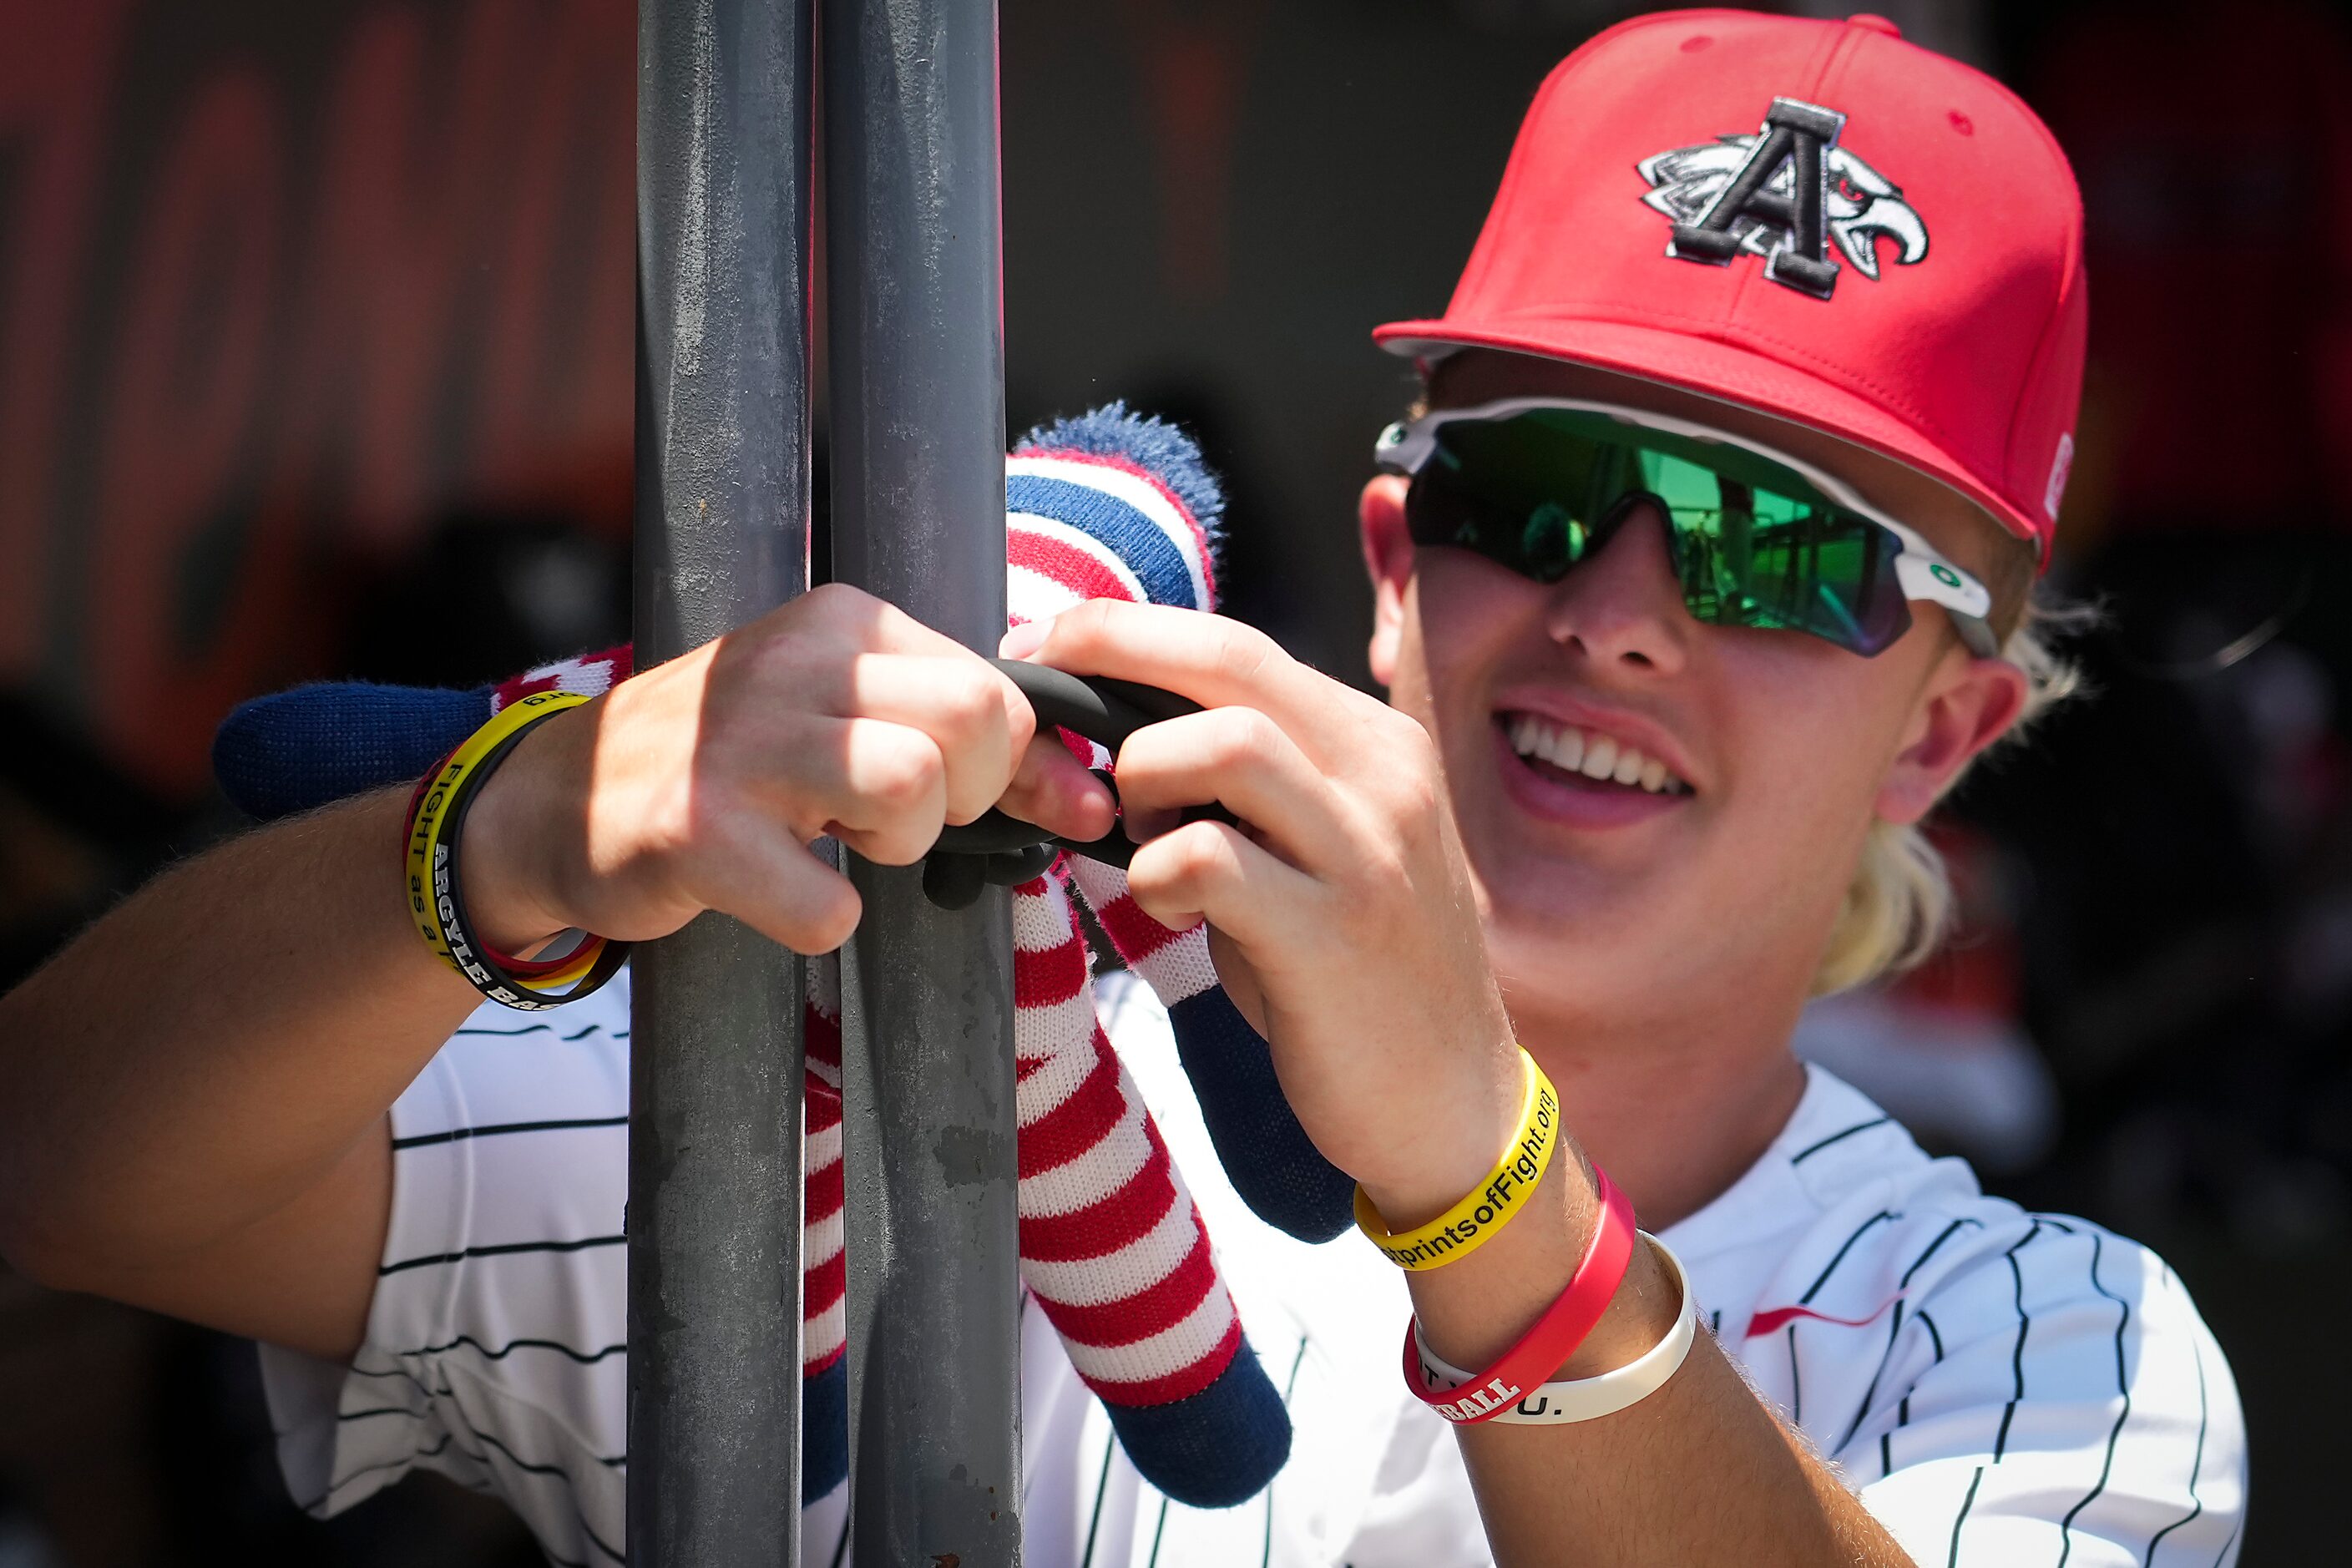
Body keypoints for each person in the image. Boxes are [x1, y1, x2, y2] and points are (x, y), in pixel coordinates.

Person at [0, 12, 2245, 1566]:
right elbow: (59, 1171)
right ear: (1392, 564)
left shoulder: (2045, 1341)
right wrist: (506, 833)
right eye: (1538, 493)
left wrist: (1481, 1178)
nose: (1624, 613)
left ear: (1942, 724)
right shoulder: (867, 1030)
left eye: (1789, 551)